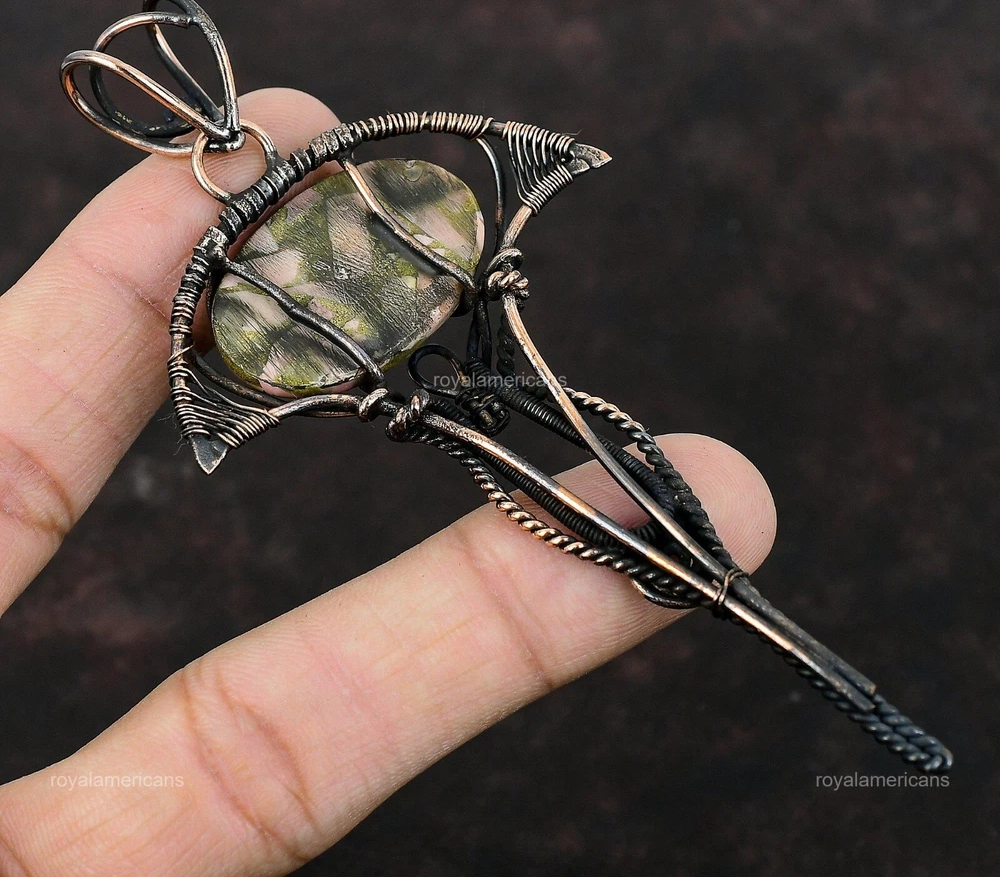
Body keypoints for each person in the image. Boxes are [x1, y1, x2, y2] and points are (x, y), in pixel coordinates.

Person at [0, 89, 775, 875]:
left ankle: (711, 579)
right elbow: (222, 418)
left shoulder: (396, 215)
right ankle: (712, 582)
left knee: (569, 438)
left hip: (445, 324)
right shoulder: (270, 307)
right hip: (401, 358)